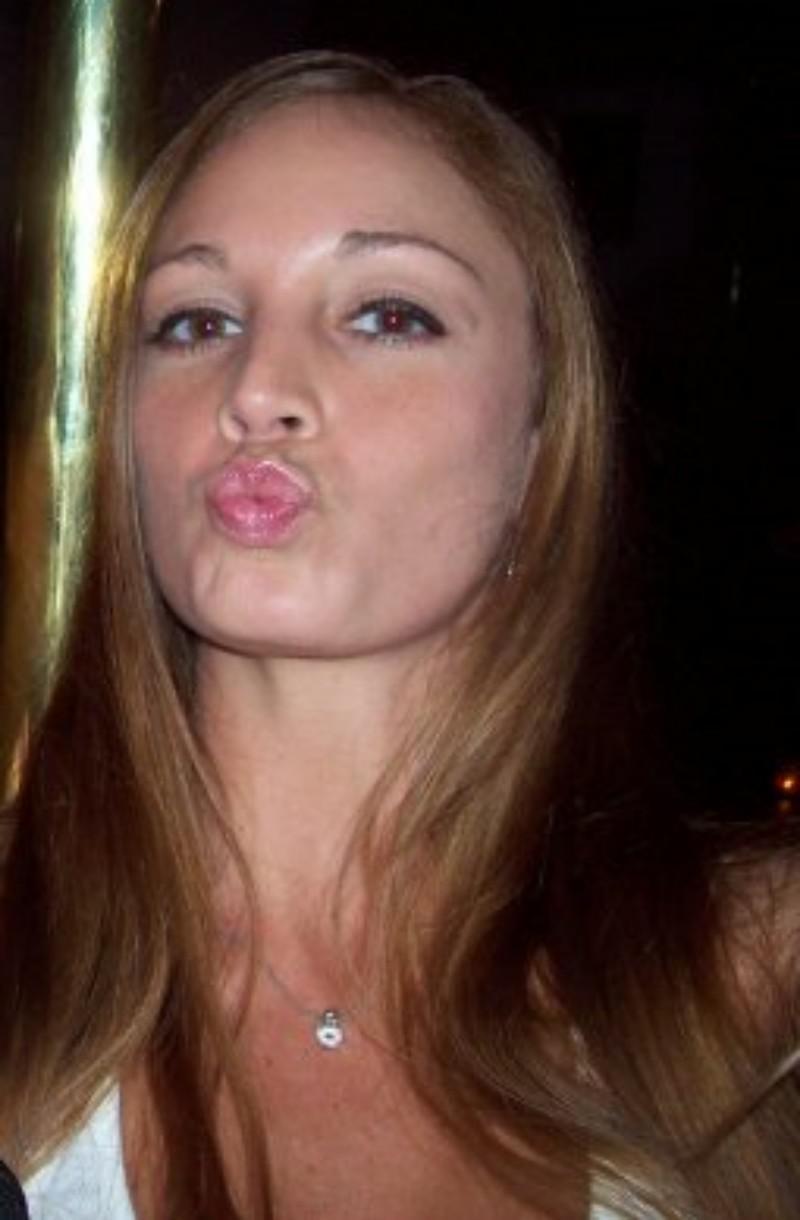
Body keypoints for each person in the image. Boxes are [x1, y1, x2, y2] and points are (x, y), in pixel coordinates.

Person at [0, 49, 797, 1220]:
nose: (255, 387)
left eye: (387, 314)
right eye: (195, 320)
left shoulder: (738, 968)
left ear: (539, 442)